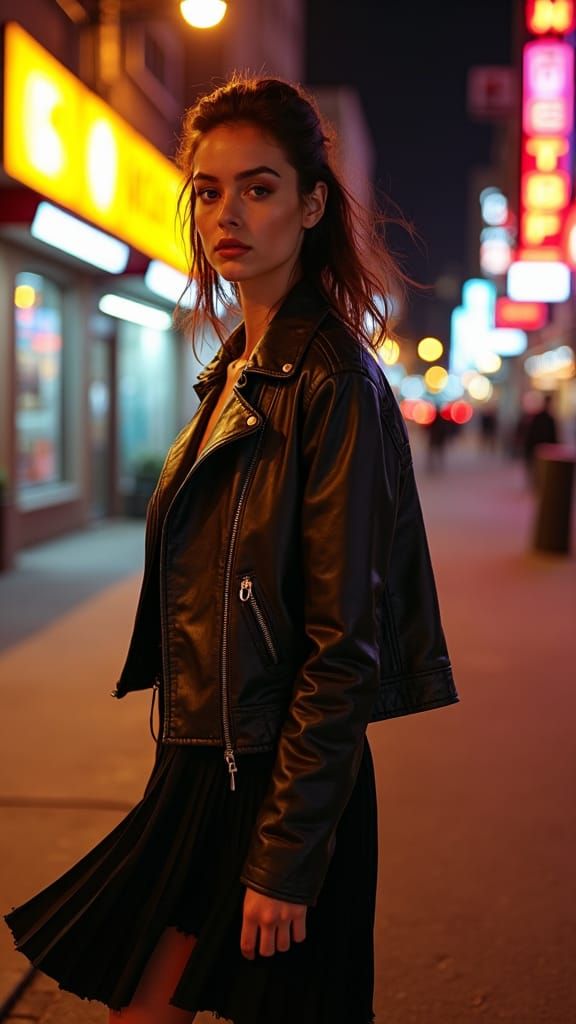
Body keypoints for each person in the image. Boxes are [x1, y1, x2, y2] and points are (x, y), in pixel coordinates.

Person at [4, 75, 458, 1024]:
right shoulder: (236, 374)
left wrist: (288, 857)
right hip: (206, 767)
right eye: (208, 191)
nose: (226, 214)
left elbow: (344, 649)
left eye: (258, 187)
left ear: (313, 203)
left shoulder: (333, 382)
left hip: (274, 783)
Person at [523, 392, 558, 488]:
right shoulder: (545, 418)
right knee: (538, 469)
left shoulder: (544, 418)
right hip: (540, 450)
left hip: (539, 449)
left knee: (538, 470)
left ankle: (538, 484)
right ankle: (538, 485)